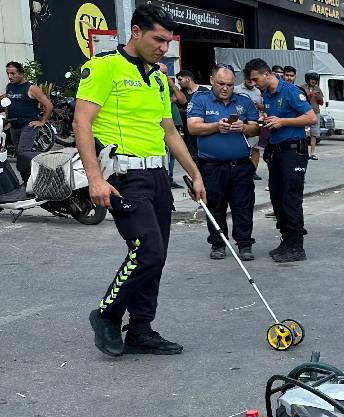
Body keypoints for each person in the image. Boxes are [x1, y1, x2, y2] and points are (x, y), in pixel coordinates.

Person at [76, 3, 206, 357]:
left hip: (158, 175)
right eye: (158, 39)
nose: (164, 48)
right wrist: (95, 178)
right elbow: (81, 123)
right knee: (146, 250)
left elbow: (170, 132)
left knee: (157, 255)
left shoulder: (158, 79)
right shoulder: (104, 67)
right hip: (123, 174)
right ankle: (107, 314)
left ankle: (141, 328)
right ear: (136, 31)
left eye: (168, 41)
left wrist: (194, 174)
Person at [245, 58, 316, 262]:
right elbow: (274, 119)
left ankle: (296, 246)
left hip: (293, 151)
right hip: (276, 151)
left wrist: (282, 121)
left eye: (256, 79)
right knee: (277, 198)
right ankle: (286, 240)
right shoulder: (267, 94)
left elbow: (311, 118)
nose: (254, 83)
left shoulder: (291, 91)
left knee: (290, 198)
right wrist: (267, 121)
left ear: (267, 74)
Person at [187, 65, 260, 261]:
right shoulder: (200, 99)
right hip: (212, 166)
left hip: (240, 165)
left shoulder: (243, 101)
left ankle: (244, 244)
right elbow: (193, 127)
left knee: (243, 206)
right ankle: (218, 243)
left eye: (229, 84)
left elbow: (256, 129)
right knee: (215, 206)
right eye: (221, 84)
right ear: (211, 81)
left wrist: (243, 127)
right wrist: (216, 126)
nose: (226, 88)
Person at [3, 61, 52, 153]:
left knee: (23, 152)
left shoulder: (31, 88)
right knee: (18, 153)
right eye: (8, 73)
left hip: (28, 125)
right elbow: (8, 103)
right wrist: (8, 120)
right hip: (14, 125)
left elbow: (48, 105)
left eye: (13, 73)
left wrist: (42, 122)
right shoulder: (9, 87)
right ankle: (27, 166)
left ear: (21, 73)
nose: (10, 76)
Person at [233, 71, 264, 179]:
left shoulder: (258, 91)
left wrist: (259, 105)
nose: (251, 81)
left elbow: (262, 107)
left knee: (256, 148)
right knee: (243, 147)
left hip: (255, 122)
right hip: (241, 123)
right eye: (248, 78)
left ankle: (253, 171)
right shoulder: (236, 90)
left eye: (253, 79)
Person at [304, 72, 324, 160]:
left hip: (315, 113)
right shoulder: (302, 87)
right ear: (308, 79)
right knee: (304, 133)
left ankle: (312, 153)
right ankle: (304, 153)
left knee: (314, 134)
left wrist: (318, 97)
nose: (313, 81)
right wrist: (310, 95)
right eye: (312, 79)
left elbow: (321, 103)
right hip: (305, 113)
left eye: (315, 80)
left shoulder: (318, 89)